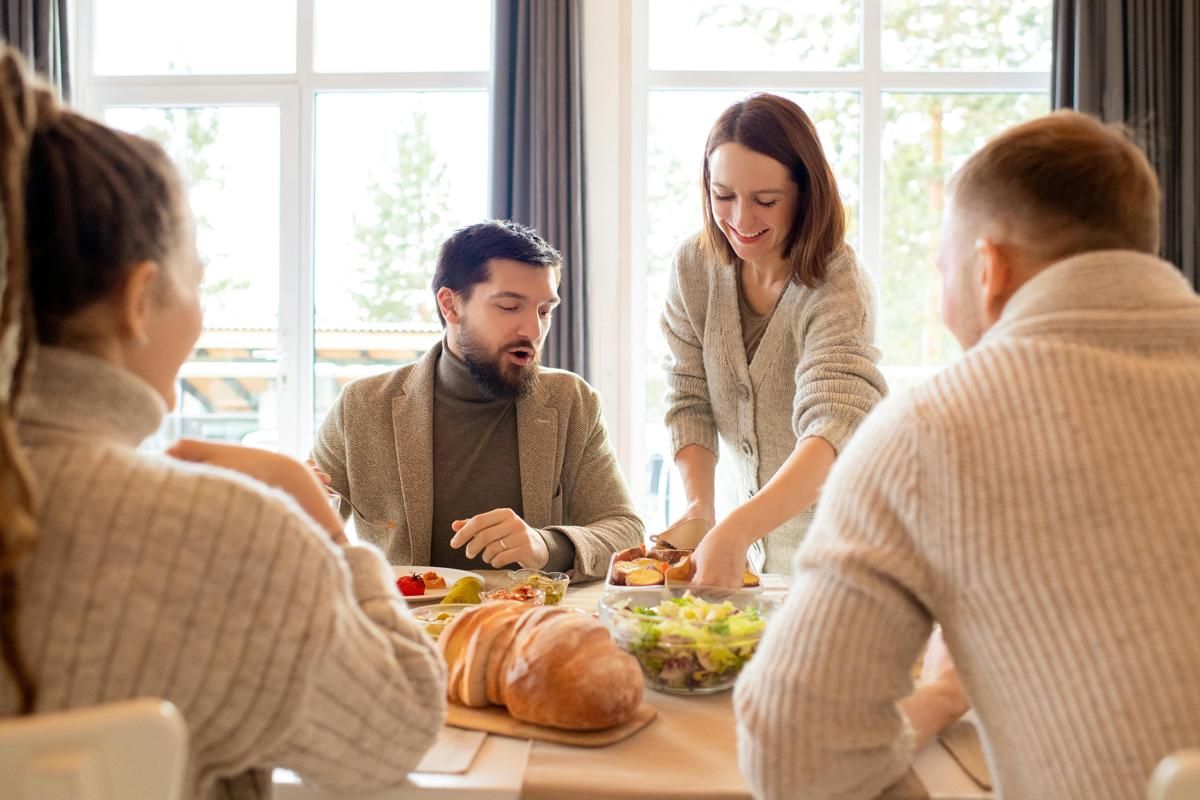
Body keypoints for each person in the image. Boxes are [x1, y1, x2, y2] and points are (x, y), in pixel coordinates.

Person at [0, 50, 445, 799]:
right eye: (198, 279)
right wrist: (329, 535)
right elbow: (398, 730)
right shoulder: (237, 539)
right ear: (141, 299)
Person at [735, 110, 1200, 799]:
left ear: (990, 270)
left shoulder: (929, 428)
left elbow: (795, 750)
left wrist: (938, 699)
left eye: (941, 271)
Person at [312, 220, 642, 579]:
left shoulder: (571, 401)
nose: (533, 331)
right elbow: (301, 530)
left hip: (530, 625)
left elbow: (625, 530)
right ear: (451, 306)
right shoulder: (361, 406)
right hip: (408, 627)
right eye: (509, 306)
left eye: (545, 311)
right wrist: (297, 503)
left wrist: (545, 546)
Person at [662, 93, 886, 586]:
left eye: (765, 201)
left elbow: (833, 424)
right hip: (761, 566)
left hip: (851, 555)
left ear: (805, 194)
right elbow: (688, 397)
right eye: (723, 196)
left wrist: (738, 528)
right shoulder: (694, 267)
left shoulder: (838, 284)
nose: (741, 220)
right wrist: (702, 507)